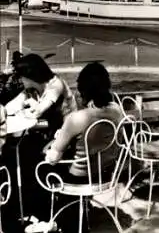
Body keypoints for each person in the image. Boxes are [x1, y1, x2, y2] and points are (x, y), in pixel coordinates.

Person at [43, 62, 124, 232]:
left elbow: (53, 158)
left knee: (41, 164)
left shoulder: (77, 118)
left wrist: (51, 145)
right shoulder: (117, 110)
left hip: (80, 178)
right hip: (106, 173)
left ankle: (55, 219)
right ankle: (72, 213)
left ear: (82, 90)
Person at [5, 53, 77, 136]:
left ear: (30, 76)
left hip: (66, 127)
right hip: (49, 123)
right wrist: (4, 111)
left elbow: (39, 110)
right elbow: (16, 102)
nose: (20, 80)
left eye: (21, 77)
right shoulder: (33, 86)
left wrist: (28, 110)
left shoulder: (56, 84)